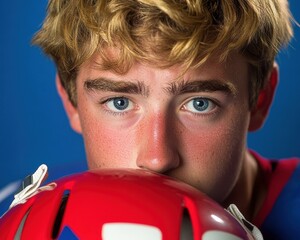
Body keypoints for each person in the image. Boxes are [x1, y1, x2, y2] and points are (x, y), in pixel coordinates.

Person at [4, 0, 299, 239]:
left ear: (260, 99)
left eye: (200, 103)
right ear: (72, 102)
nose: (157, 159)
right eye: (120, 103)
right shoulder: (14, 213)